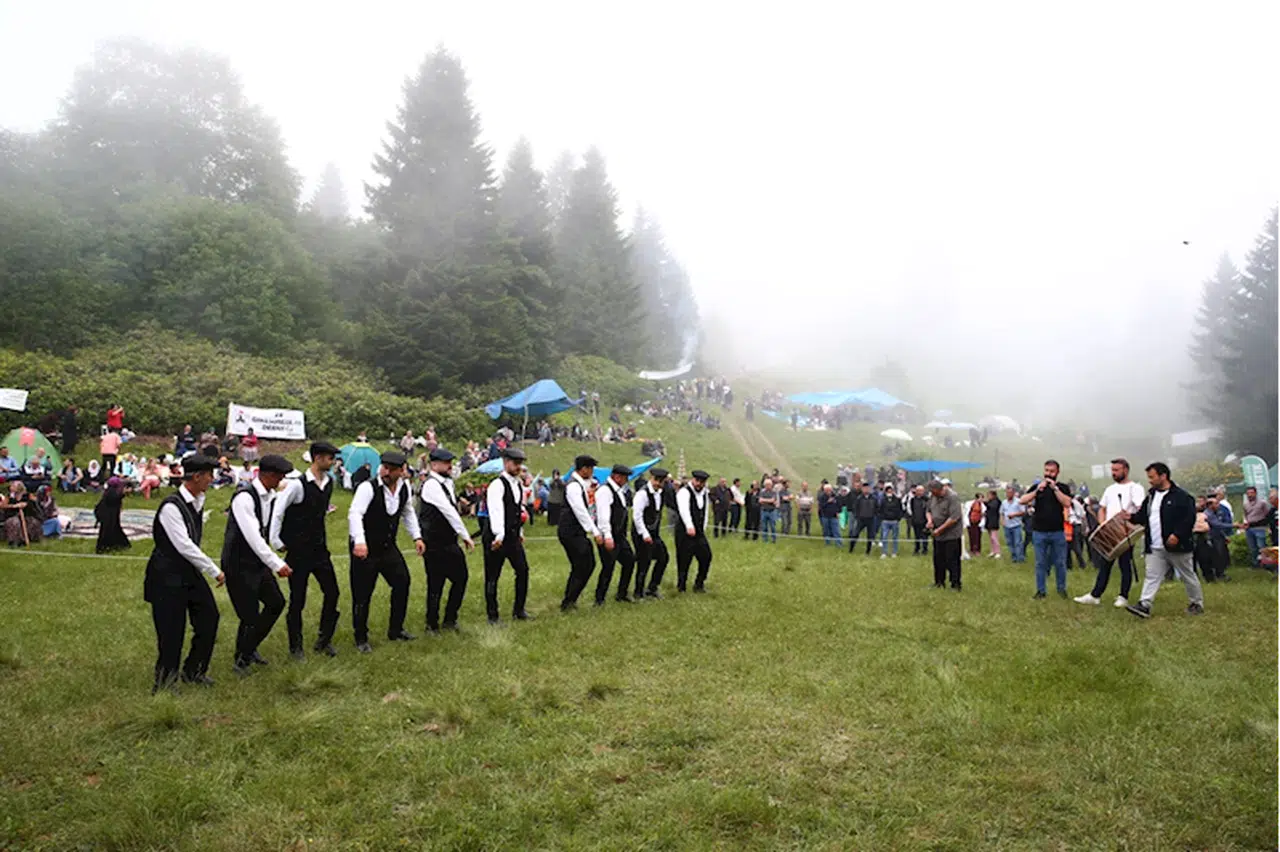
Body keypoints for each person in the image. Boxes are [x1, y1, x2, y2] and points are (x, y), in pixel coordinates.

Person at [143, 456, 222, 693]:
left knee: (209, 618)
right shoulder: (171, 507)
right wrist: (214, 570)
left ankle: (194, 671)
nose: (212, 480)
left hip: (188, 574)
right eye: (209, 475)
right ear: (196, 477)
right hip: (166, 576)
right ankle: (165, 684)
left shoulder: (198, 499)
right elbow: (184, 545)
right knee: (171, 631)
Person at [221, 454, 294, 676]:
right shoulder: (244, 498)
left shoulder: (269, 496)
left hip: (257, 563)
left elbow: (268, 528)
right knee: (249, 614)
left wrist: (279, 545)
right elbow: (253, 536)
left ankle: (249, 648)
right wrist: (276, 564)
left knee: (276, 603)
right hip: (239, 564)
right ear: (268, 475)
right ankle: (241, 660)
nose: (281, 481)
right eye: (280, 476)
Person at [268, 441, 342, 659]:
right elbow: (278, 511)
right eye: (330, 458)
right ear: (318, 458)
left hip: (320, 550)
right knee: (297, 599)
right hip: (298, 552)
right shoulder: (297, 485)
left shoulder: (328, 483)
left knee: (332, 592)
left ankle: (324, 639)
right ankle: (296, 647)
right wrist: (276, 541)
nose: (332, 462)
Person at [347, 451, 423, 652]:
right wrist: (360, 542)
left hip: (388, 547)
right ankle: (361, 638)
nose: (385, 471)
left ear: (402, 471)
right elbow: (355, 513)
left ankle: (396, 630)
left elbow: (408, 513)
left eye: (391, 469)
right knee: (362, 593)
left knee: (402, 582)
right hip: (365, 548)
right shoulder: (367, 488)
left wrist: (417, 536)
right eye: (384, 467)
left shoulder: (404, 487)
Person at [1125, 462, 1203, 618]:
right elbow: (1143, 517)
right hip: (1155, 546)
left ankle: (1196, 603)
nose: (1150, 480)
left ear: (1163, 476)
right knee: (1152, 576)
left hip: (1177, 546)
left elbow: (1189, 518)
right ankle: (1144, 604)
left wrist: (1177, 535)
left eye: (1152, 477)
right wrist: (1130, 517)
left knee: (1187, 574)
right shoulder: (1151, 497)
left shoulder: (1182, 497)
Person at [418, 447, 474, 632]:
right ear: (434, 465)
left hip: (449, 541)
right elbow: (448, 511)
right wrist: (465, 535)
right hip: (434, 542)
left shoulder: (447, 483)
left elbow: (453, 505)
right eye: (446, 463)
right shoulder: (432, 484)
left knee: (461, 578)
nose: (450, 466)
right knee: (436, 584)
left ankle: (450, 619)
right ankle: (431, 624)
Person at [1074, 459, 1144, 607]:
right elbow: (1102, 508)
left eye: (1117, 470)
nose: (1114, 473)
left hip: (1125, 531)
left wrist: (1130, 519)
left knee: (1125, 564)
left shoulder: (1135, 488)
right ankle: (1095, 595)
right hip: (1109, 531)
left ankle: (1123, 597)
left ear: (1126, 470)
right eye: (1112, 470)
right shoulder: (1110, 489)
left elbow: (1140, 508)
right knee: (1105, 564)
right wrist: (1102, 525)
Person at [483, 447, 534, 625]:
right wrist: (499, 535)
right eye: (515, 463)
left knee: (523, 570)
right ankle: (493, 616)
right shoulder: (497, 485)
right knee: (492, 576)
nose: (519, 467)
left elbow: (517, 510)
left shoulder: (518, 484)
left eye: (520, 464)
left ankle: (519, 610)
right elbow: (496, 510)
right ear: (506, 463)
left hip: (512, 535)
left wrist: (519, 531)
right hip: (497, 535)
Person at [1020, 460, 1074, 599]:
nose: (1049, 474)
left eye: (1052, 471)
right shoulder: (1038, 487)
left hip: (1057, 531)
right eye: (1047, 471)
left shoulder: (1062, 487)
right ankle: (1041, 591)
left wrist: (1055, 488)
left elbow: (1067, 503)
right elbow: (1022, 500)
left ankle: (1061, 589)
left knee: (1060, 562)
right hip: (1039, 531)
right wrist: (1037, 490)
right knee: (1040, 563)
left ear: (1057, 472)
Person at [559, 455, 602, 611]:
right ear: (583, 469)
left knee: (586, 564)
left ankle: (571, 599)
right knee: (583, 564)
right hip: (570, 530)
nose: (591, 472)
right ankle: (568, 601)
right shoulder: (573, 486)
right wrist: (594, 531)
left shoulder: (582, 484)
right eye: (590, 468)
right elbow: (580, 511)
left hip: (576, 531)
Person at [594, 464, 636, 604]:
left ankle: (622, 593)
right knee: (608, 567)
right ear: (617, 477)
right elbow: (603, 515)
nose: (626, 481)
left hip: (619, 536)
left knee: (629, 561)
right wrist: (607, 535)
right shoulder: (605, 491)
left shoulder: (619, 491)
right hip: (609, 535)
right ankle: (599, 599)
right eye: (624, 478)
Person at [632, 467, 671, 598]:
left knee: (663, 557)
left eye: (661, 481)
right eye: (656, 480)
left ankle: (652, 588)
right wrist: (645, 534)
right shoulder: (642, 494)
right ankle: (638, 592)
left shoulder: (661, 492)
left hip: (654, 532)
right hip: (641, 532)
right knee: (644, 562)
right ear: (651, 478)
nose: (658, 484)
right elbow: (637, 516)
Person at [675, 469, 713, 592]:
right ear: (693, 480)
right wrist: (689, 526)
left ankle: (699, 583)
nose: (699, 484)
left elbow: (705, 511)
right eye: (697, 481)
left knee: (706, 556)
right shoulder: (684, 492)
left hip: (699, 532)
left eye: (702, 482)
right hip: (685, 532)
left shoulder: (705, 493)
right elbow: (684, 510)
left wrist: (703, 527)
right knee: (684, 559)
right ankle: (681, 586)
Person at [927, 479, 963, 590]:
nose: (933, 495)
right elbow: (928, 510)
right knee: (938, 559)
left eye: (934, 492)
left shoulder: (952, 497)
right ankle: (939, 582)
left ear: (940, 489)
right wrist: (930, 521)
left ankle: (955, 584)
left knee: (952, 560)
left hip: (951, 535)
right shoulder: (933, 496)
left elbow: (954, 518)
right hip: (938, 535)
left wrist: (940, 530)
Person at [1202, 492, 1233, 583]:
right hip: (1211, 538)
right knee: (1216, 557)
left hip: (1218, 537)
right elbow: (1217, 525)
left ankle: (1220, 573)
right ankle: (1217, 574)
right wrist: (1233, 525)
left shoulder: (1216, 512)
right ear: (1210, 505)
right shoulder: (1208, 514)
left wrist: (1225, 536)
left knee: (1221, 556)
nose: (1218, 505)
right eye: (1216, 503)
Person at [1238, 486, 1271, 568]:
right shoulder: (1245, 504)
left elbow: (1267, 515)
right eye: (1248, 493)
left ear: (1255, 493)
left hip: (1260, 527)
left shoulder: (1262, 503)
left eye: (1251, 493)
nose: (1250, 495)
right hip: (1250, 528)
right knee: (1252, 548)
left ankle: (1267, 564)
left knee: (1262, 546)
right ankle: (1255, 564)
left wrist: (1268, 526)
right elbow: (1245, 515)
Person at [2, 482, 40, 546]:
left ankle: (31, 538)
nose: (11, 487)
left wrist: (27, 504)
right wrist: (13, 506)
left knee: (32, 522)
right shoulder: (9, 496)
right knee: (14, 522)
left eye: (13, 486)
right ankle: (15, 540)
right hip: (12, 515)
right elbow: (3, 506)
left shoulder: (28, 495)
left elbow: (36, 502)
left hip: (26, 514)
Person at [847, 482, 878, 554]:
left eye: (867, 488)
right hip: (861, 519)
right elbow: (855, 508)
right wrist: (857, 516)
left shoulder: (874, 498)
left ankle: (868, 551)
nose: (866, 490)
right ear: (862, 489)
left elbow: (877, 508)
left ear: (869, 489)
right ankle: (851, 549)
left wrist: (874, 515)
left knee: (870, 536)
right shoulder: (859, 498)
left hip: (871, 519)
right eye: (864, 488)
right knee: (855, 534)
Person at [1000, 486, 1027, 563]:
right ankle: (1014, 557)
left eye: (1010, 493)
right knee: (1009, 542)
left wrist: (1014, 515)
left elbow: (1023, 512)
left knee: (1018, 542)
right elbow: (1002, 513)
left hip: (1016, 525)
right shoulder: (1004, 502)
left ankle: (1020, 558)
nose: (1008, 494)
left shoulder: (1018, 501)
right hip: (1007, 526)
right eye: (1007, 493)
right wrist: (1002, 521)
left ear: (1013, 493)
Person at [877, 484, 903, 558]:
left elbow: (900, 509)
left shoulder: (897, 500)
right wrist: (882, 518)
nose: (889, 492)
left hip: (894, 521)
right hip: (885, 521)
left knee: (895, 538)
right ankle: (884, 552)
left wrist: (898, 518)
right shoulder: (883, 500)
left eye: (890, 490)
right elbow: (880, 510)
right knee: (884, 537)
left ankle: (894, 552)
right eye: (888, 491)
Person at [907, 485, 930, 555]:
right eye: (918, 491)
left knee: (925, 536)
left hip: (924, 521)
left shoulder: (926, 500)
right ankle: (917, 549)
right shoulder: (912, 500)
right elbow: (911, 509)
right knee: (917, 536)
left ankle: (925, 550)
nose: (919, 492)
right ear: (916, 491)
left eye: (921, 491)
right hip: (916, 521)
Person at [757, 477, 779, 543]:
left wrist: (765, 500)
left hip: (772, 512)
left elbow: (773, 500)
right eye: (766, 485)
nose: (768, 486)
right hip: (764, 511)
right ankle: (765, 539)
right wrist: (769, 501)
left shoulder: (774, 492)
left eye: (769, 484)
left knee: (773, 526)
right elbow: (760, 501)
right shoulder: (762, 492)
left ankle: (774, 539)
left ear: (771, 485)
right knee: (764, 527)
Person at [964, 493, 984, 559]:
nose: (981, 499)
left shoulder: (983, 506)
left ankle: (977, 550)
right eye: (980, 498)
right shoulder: (970, 504)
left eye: (982, 498)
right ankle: (972, 549)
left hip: (978, 522)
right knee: (971, 536)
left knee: (978, 536)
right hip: (971, 522)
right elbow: (967, 513)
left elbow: (983, 514)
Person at [984, 490, 1002, 558]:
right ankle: (993, 551)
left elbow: (992, 507)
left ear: (993, 495)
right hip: (989, 521)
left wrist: (985, 502)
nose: (988, 497)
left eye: (989, 495)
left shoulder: (996, 501)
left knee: (994, 537)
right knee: (991, 538)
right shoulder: (990, 502)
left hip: (994, 521)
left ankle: (998, 552)